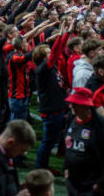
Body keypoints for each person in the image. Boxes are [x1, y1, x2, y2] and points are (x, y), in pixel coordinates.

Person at [62, 87, 104, 196]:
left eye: (74, 103)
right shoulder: (74, 120)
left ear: (85, 106)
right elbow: (69, 146)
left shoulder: (103, 126)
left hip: (93, 185)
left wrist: (101, 184)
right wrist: (66, 168)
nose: (71, 106)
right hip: (75, 184)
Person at [32, 30, 68, 171]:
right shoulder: (42, 68)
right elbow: (55, 53)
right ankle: (41, 167)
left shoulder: (51, 66)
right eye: (48, 52)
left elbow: (57, 51)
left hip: (57, 106)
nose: (51, 53)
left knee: (52, 139)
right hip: (51, 109)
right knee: (47, 141)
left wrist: (66, 33)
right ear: (43, 57)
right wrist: (60, 35)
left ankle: (46, 163)